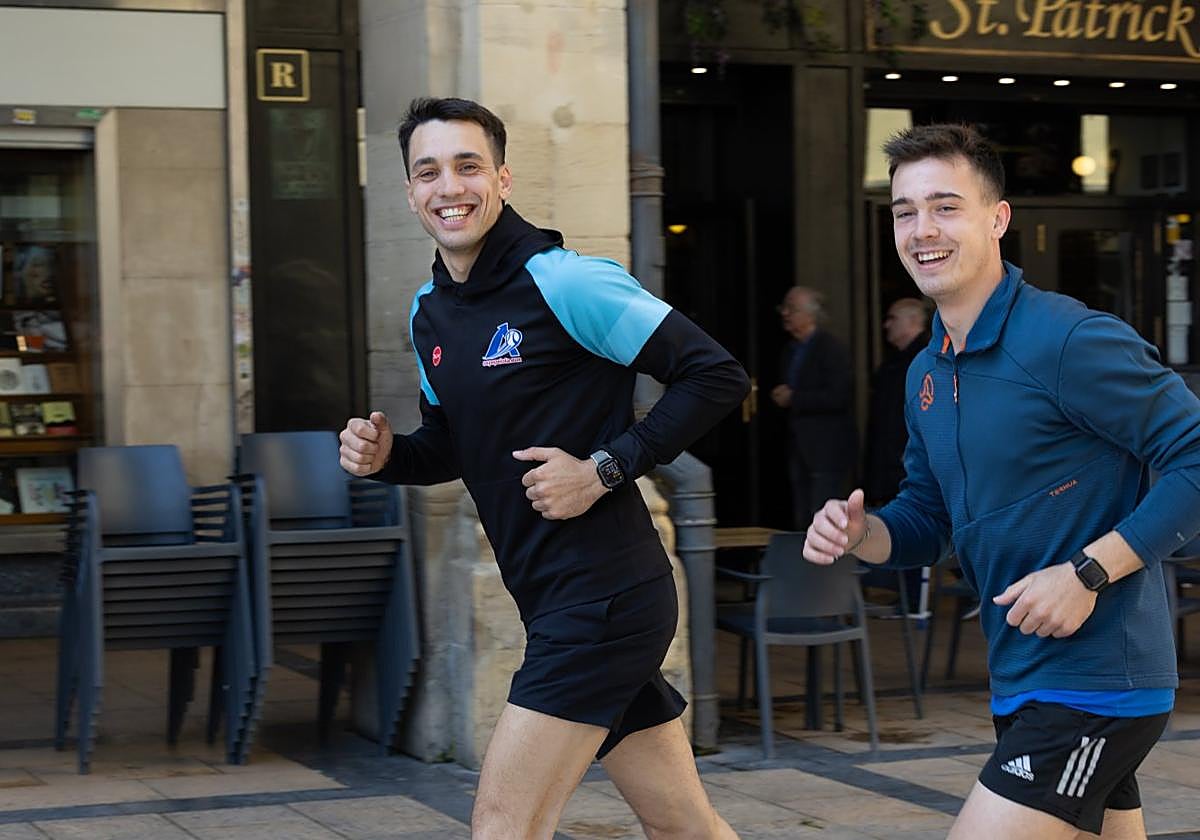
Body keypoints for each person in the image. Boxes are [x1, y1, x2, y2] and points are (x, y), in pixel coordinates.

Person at [339, 97, 747, 840]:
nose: (448, 186)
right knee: (683, 824)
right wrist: (389, 456)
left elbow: (714, 376)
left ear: (502, 178)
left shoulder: (566, 282)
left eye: (468, 165)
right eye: (427, 171)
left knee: (503, 824)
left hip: (604, 597)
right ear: (408, 191)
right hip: (555, 599)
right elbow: (453, 448)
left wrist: (605, 468)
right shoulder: (428, 313)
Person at [803, 123, 1200, 839]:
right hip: (1022, 675)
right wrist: (863, 534)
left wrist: (1086, 573)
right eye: (905, 211)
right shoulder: (928, 372)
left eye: (946, 206)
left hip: (1096, 685)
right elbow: (930, 519)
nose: (923, 229)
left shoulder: (1068, 339)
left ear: (998, 218)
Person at [861, 298, 931, 614]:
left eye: (891, 318)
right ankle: (908, 595)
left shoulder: (926, 358)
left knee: (916, 518)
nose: (886, 325)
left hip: (907, 458)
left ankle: (916, 598)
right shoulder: (896, 362)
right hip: (892, 456)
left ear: (911, 321)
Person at [769, 286, 856, 528]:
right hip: (799, 445)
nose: (785, 313)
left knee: (824, 516)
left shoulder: (831, 348)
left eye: (792, 309)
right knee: (802, 515)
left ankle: (827, 566)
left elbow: (839, 397)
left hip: (826, 448)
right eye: (783, 308)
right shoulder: (790, 350)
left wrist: (794, 397)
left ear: (811, 315)